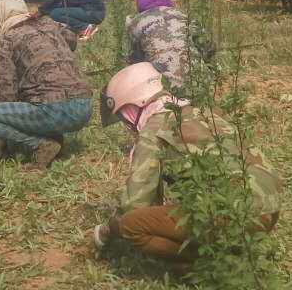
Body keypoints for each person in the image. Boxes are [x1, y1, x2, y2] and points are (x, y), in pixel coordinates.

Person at [90, 62, 281, 260]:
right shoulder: (202, 113)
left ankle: (205, 265)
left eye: (124, 116)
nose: (127, 125)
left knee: (131, 225)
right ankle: (231, 249)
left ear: (134, 104)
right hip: (270, 211)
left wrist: (108, 229)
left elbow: (135, 205)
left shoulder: (153, 131)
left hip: (235, 216)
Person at [0, 0, 94, 168]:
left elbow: (3, 91)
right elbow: (71, 39)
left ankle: (40, 144)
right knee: (35, 96)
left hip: (53, 110)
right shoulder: (50, 24)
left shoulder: (7, 40)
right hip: (84, 107)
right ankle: (53, 138)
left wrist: (3, 132)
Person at [125, 0, 210, 93]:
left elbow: (134, 63)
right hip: (202, 86)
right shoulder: (184, 16)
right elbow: (208, 48)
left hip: (164, 90)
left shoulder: (136, 23)